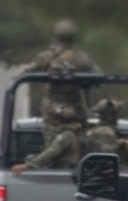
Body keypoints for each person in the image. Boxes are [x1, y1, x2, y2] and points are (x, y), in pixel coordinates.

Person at [25, 19, 101, 147]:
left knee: (51, 144)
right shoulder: (82, 58)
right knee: (79, 143)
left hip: (51, 108)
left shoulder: (47, 57)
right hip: (75, 107)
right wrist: (84, 82)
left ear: (57, 36)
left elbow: (27, 72)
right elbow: (98, 77)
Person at [13, 121, 82, 173]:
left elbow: (53, 151)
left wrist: (29, 165)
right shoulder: (63, 135)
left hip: (65, 174)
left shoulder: (67, 135)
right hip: (61, 173)